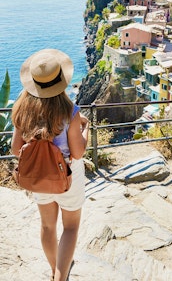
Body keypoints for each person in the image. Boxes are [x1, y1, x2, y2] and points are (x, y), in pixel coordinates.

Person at [11, 49, 89, 281]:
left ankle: (56, 270)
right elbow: (77, 152)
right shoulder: (70, 112)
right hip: (67, 177)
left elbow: (16, 150)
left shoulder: (21, 110)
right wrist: (86, 128)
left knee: (47, 227)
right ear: (61, 81)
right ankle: (60, 276)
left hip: (38, 177)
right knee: (71, 227)